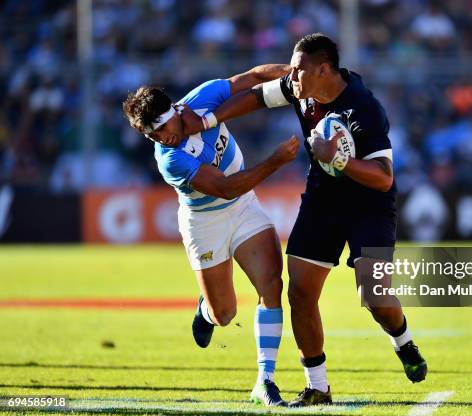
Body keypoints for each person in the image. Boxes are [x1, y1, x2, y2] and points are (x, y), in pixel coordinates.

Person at [195, 33, 427, 407]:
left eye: (300, 68)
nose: (292, 74)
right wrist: (208, 120)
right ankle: (318, 387)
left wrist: (337, 159)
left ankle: (403, 341)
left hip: (370, 203)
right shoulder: (298, 87)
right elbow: (255, 97)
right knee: (300, 293)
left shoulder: (364, 107)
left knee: (375, 297)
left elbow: (384, 175)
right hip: (323, 199)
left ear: (324, 69)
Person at [122, 64, 299, 407]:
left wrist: (293, 71)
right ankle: (206, 312)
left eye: (161, 128)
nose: (162, 138)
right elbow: (226, 188)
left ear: (174, 110)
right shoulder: (170, 159)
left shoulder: (201, 99)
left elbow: (249, 79)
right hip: (206, 224)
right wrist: (275, 162)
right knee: (225, 314)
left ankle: (265, 380)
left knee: (272, 286)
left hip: (244, 208)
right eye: (152, 136)